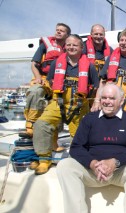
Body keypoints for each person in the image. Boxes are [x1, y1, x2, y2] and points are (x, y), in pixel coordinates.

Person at [56, 83, 126, 213]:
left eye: (112, 98)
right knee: (65, 165)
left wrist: (114, 162)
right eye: (104, 98)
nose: (107, 102)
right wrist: (93, 164)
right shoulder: (89, 119)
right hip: (93, 172)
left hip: (120, 172)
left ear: (121, 101)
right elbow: (76, 148)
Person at [31, 34, 100, 175]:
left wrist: (96, 102)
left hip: (80, 106)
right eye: (68, 44)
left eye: (75, 45)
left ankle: (79, 161)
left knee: (82, 136)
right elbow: (50, 81)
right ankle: (44, 160)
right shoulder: (57, 63)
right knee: (41, 124)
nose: (71, 47)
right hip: (58, 103)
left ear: (81, 47)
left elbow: (97, 85)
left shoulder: (90, 66)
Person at [19, 23, 71, 143]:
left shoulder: (70, 48)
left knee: (58, 106)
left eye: (62, 31)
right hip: (43, 78)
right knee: (35, 91)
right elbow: (34, 64)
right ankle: (30, 126)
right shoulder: (44, 46)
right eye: (57, 30)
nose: (58, 32)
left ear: (67, 35)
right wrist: (38, 77)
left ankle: (54, 141)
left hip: (59, 80)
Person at [91, 28, 126, 113]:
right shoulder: (111, 58)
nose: (123, 43)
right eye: (121, 40)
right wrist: (97, 101)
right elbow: (102, 81)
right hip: (109, 102)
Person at [83, 24, 113, 108]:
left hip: (103, 87)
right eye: (96, 34)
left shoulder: (110, 50)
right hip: (86, 86)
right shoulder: (82, 47)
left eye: (101, 34)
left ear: (104, 35)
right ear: (91, 34)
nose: (98, 36)